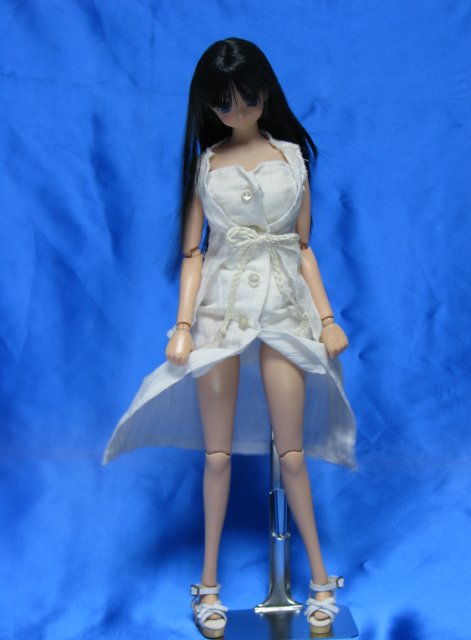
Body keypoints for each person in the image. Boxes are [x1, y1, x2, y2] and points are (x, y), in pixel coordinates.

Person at [103, 37, 356, 638]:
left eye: (249, 100)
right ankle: (209, 582)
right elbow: (193, 253)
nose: (238, 112)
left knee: (291, 454)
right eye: (224, 104)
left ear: (266, 93)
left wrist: (326, 319)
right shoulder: (206, 165)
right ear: (207, 107)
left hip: (285, 312)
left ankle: (320, 580)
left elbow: (302, 247)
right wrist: (183, 326)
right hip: (221, 314)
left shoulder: (292, 157)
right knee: (215, 456)